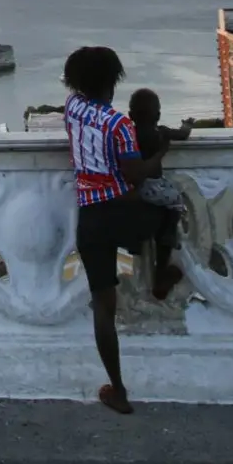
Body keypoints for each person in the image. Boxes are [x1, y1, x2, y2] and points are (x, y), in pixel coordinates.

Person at [61, 45, 183, 415]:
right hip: (126, 216)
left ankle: (117, 388)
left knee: (103, 304)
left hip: (91, 218)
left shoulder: (72, 109)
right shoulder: (119, 125)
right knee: (170, 208)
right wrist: (162, 150)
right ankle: (161, 277)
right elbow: (135, 174)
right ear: (112, 82)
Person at [125, 88, 192, 216]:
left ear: (130, 115)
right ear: (158, 115)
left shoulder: (129, 134)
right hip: (155, 186)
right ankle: (168, 231)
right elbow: (183, 134)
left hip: (135, 188)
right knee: (177, 201)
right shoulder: (161, 133)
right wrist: (187, 125)